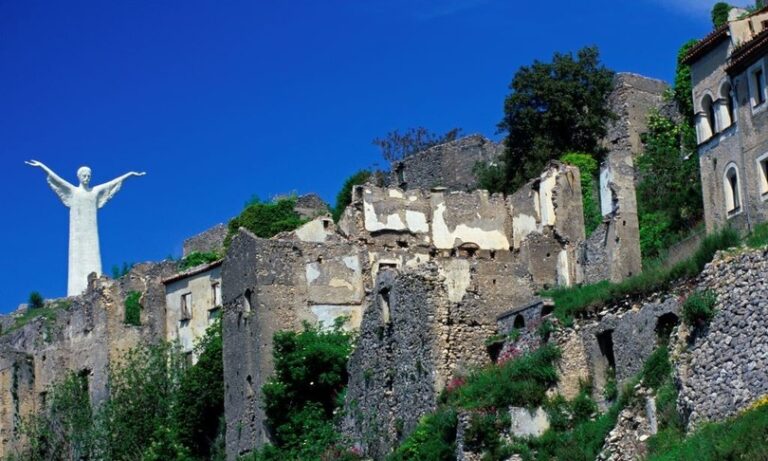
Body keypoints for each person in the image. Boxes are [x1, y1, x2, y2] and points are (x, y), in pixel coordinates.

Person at [26, 160, 145, 296]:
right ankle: (75, 294)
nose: (87, 178)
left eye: (89, 176)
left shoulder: (94, 192)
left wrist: (130, 174)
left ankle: (96, 289)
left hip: (91, 231)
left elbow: (112, 183)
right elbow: (56, 179)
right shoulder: (73, 191)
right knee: (76, 260)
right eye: (84, 176)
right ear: (79, 177)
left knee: (94, 256)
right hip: (77, 232)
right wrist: (42, 166)